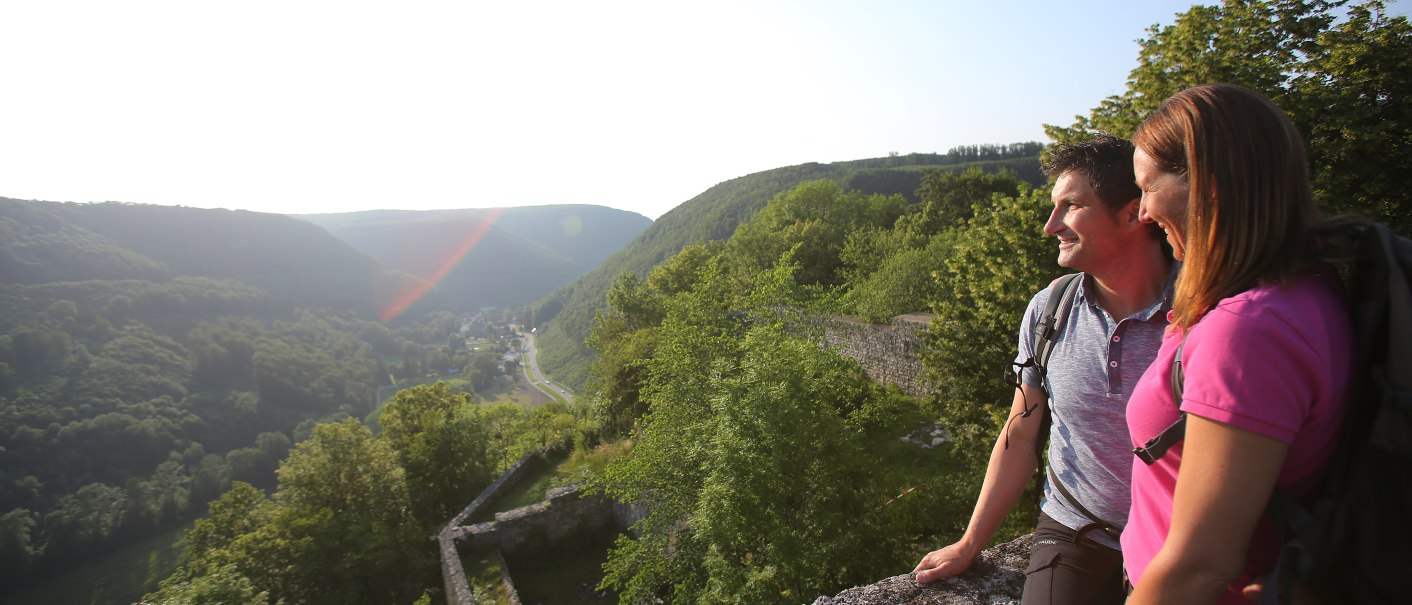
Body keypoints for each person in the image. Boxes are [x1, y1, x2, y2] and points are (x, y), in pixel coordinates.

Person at [914, 134, 1174, 605]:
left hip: (1172, 540)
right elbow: (1020, 434)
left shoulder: (1202, 315)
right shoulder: (1049, 310)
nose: (1050, 225)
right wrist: (970, 543)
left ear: (1134, 212)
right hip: (1074, 529)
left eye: (1070, 206)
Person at [1122, 83, 1355, 604]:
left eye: (1147, 187)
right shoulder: (1307, 284)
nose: (1140, 213)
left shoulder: (1249, 330)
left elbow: (1200, 566)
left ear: (1207, 185)